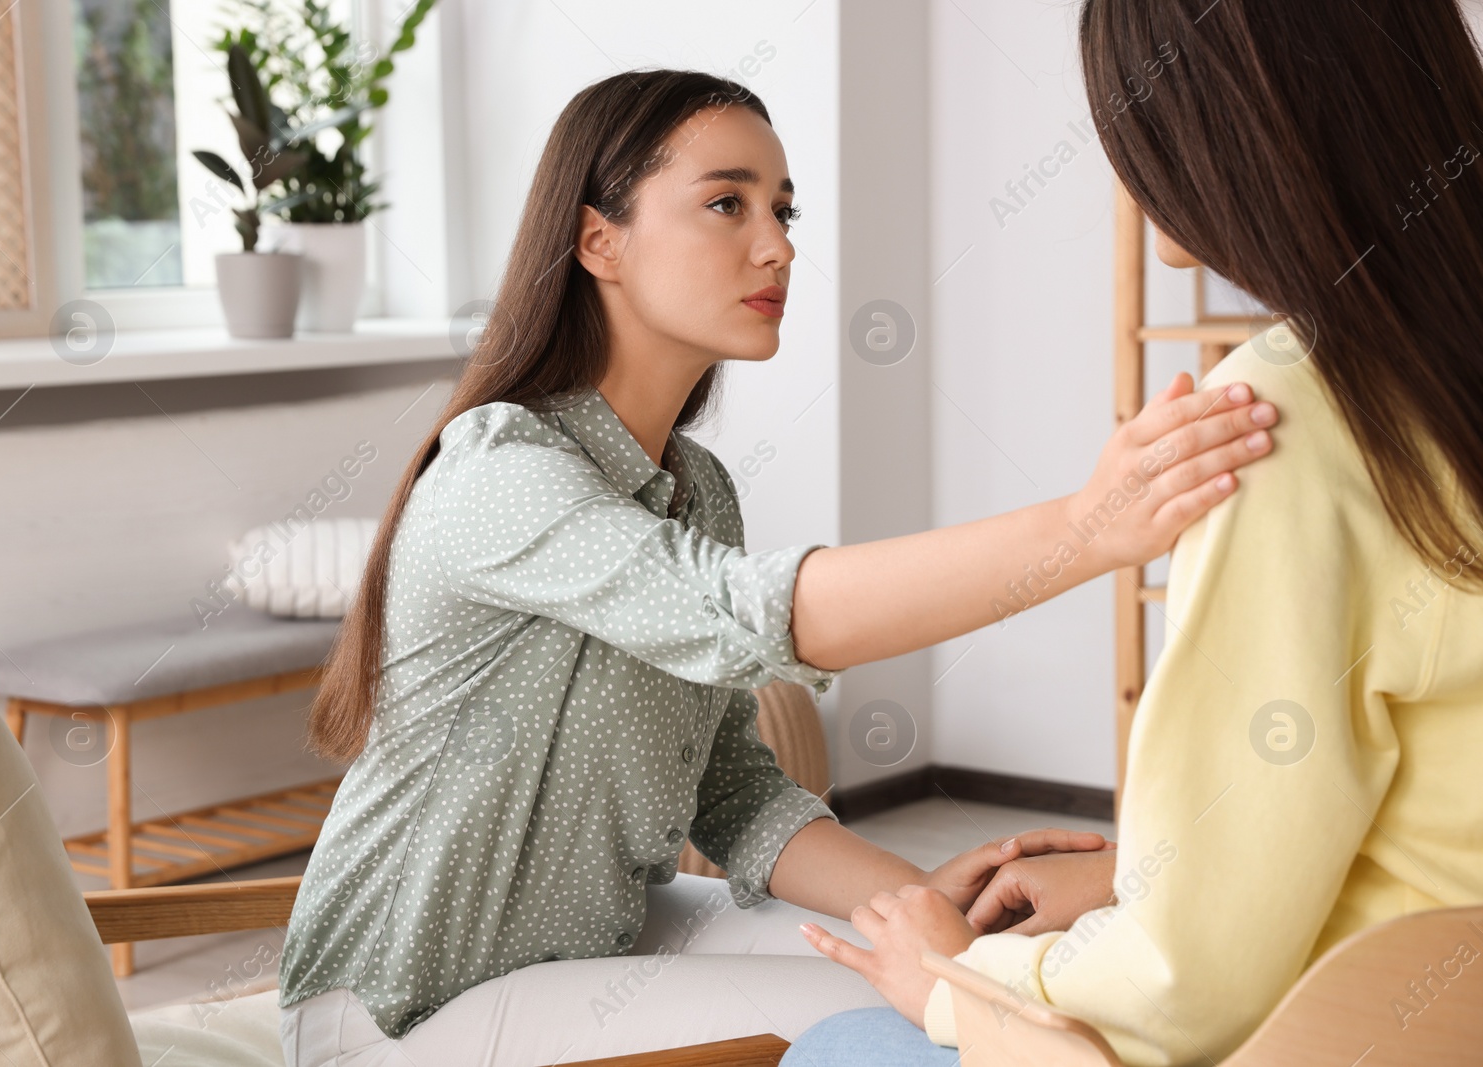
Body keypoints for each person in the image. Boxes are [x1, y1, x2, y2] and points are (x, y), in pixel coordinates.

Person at [274, 69, 1277, 1065]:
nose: (778, 245)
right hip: (404, 1005)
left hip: (603, 935)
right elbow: (755, 613)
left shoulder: (697, 485)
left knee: (963, 976)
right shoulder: (502, 465)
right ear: (597, 241)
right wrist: (1084, 528)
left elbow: (733, 789)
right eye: (726, 203)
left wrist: (917, 898)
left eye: (782, 210)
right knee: (923, 1020)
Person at [789, 0, 1483, 1063]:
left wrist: (956, 973)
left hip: (1350, 1028)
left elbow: (1182, 994)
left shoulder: (1281, 419)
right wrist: (1143, 870)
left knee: (838, 1041)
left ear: (1209, 127)